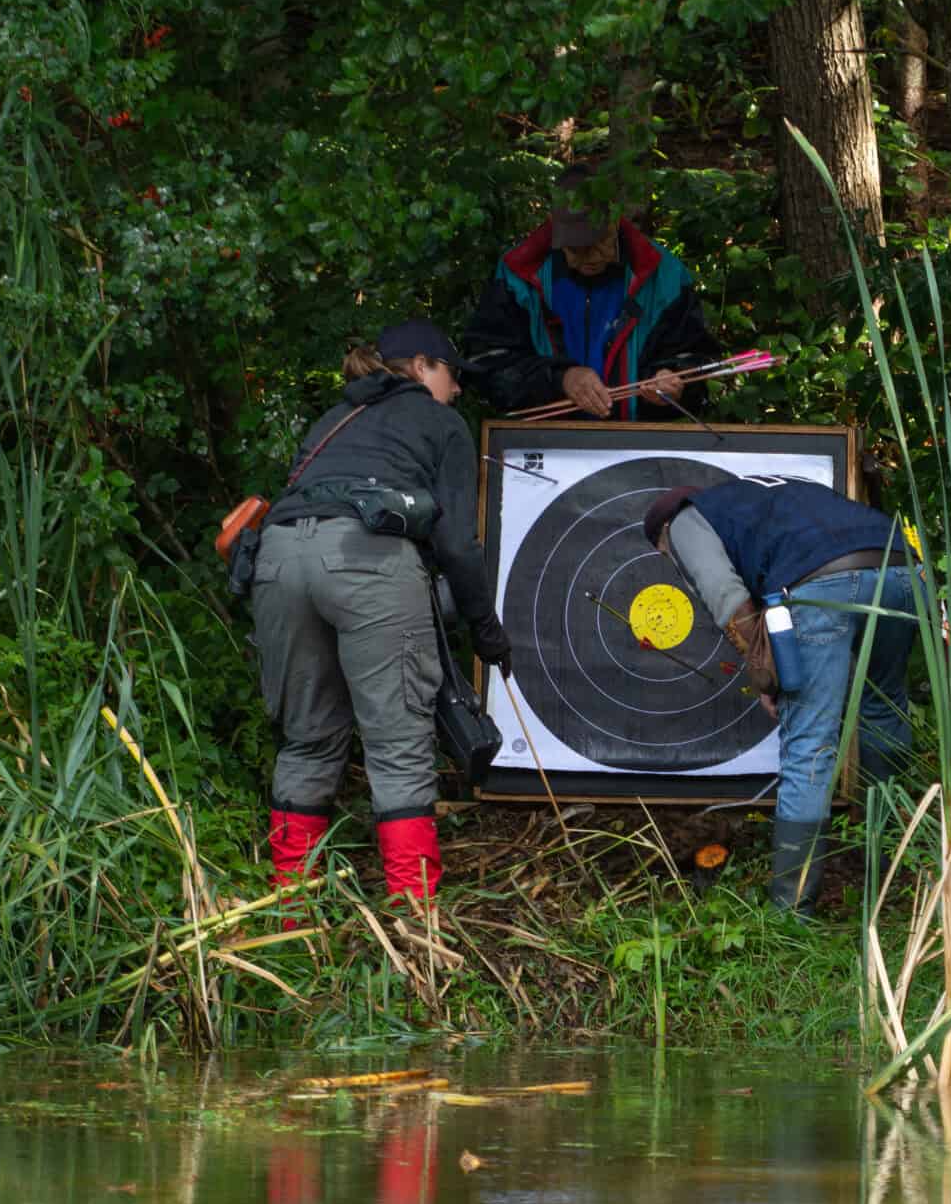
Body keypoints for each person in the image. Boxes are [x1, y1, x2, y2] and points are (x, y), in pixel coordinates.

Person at [256, 320, 511, 910]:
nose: (458, 389)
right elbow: (457, 546)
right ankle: (413, 924)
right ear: (421, 366)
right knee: (397, 746)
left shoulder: (331, 420)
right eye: (452, 374)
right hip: (367, 562)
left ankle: (289, 914)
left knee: (306, 740)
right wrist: (487, 633)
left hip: (278, 557)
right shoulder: (441, 421)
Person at [642, 479, 920, 916]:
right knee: (882, 710)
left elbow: (726, 595)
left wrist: (767, 676)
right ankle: (892, 870)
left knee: (810, 741)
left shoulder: (682, 519)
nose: (671, 560)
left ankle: (791, 913)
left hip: (824, 583)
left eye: (665, 554)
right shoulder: (763, 500)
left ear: (663, 534)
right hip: (902, 570)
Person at [463, 165, 717, 421]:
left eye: (600, 242)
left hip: (637, 443)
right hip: (543, 442)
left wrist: (673, 379)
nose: (591, 258)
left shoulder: (664, 275)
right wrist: (561, 379)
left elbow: (697, 361)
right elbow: (488, 365)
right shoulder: (518, 274)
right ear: (554, 230)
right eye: (576, 249)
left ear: (616, 220)